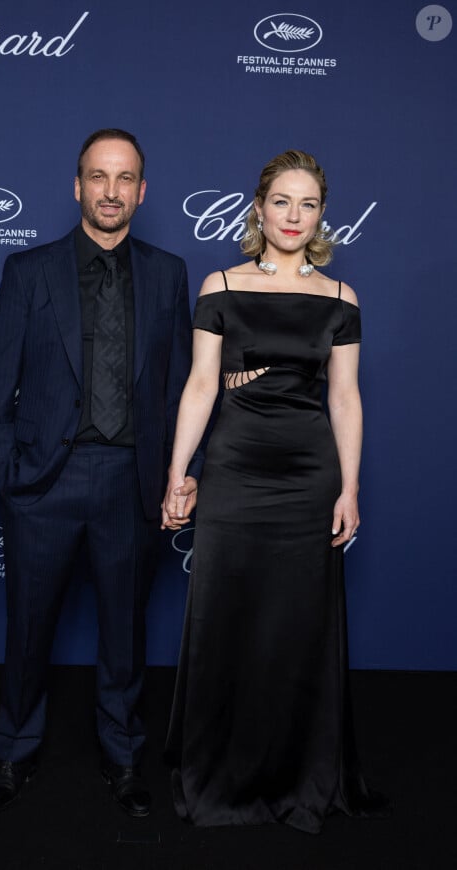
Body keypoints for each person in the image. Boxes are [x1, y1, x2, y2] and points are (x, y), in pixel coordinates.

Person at [0, 128, 201, 816]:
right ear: (77, 186)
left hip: (130, 483)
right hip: (44, 483)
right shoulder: (28, 270)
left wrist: (174, 477)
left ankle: (125, 758)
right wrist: (14, 483)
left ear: (142, 190)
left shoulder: (168, 273)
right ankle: (15, 751)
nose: (111, 191)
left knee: (124, 635)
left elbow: (178, 389)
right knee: (27, 630)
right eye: (98, 177)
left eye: (125, 178)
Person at [161, 150, 387, 833]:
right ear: (258, 209)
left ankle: (299, 777)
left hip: (308, 475)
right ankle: (222, 777)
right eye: (282, 201)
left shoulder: (341, 299)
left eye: (308, 203)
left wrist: (349, 487)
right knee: (228, 617)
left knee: (297, 628)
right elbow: (202, 385)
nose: (294, 216)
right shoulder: (220, 284)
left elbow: (345, 398)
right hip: (233, 469)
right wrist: (180, 473)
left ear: (322, 215)